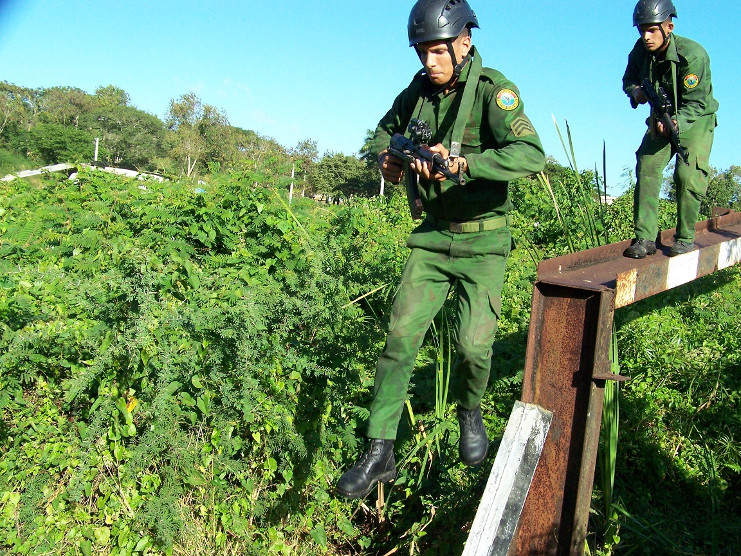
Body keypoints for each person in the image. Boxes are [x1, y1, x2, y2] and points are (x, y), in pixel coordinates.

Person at [336, 0, 545, 499]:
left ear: (463, 43)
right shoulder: (417, 91)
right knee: (399, 340)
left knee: (473, 346)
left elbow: (531, 152)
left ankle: (469, 410)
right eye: (420, 52)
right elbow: (386, 129)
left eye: (436, 51)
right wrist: (388, 157)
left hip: (484, 239)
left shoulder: (496, 92)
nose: (428, 62)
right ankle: (379, 449)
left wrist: (464, 163)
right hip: (432, 236)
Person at [622, 0, 718, 259]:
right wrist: (637, 92)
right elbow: (628, 80)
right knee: (647, 164)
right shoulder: (640, 51)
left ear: (669, 26)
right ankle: (645, 237)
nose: (646, 36)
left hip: (695, 119)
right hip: (660, 116)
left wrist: (676, 122)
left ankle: (685, 238)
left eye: (652, 30)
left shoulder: (693, 55)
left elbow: (697, 102)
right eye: (641, 29)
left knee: (687, 175)